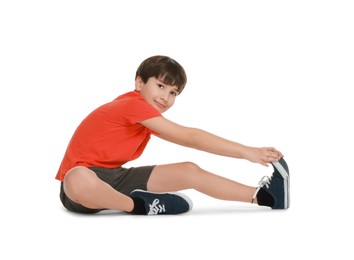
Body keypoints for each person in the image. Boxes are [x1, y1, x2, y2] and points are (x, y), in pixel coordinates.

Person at [56, 55, 290, 215]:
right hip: (80, 188)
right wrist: (247, 152)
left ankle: (266, 198)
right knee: (77, 176)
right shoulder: (131, 105)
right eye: (160, 86)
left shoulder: (145, 118)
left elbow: (191, 141)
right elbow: (189, 136)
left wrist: (247, 153)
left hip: (115, 178)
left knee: (189, 169)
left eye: (173, 92)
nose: (166, 97)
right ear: (139, 83)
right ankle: (139, 205)